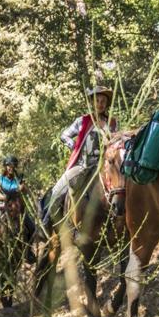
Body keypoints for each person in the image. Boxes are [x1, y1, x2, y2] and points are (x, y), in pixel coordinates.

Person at [42, 86, 119, 229]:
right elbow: (64, 135)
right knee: (58, 190)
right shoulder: (82, 121)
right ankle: (46, 221)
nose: (100, 104)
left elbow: (117, 141)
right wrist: (76, 146)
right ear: (92, 103)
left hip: (105, 165)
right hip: (83, 164)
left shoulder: (112, 122)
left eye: (103, 101)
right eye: (97, 101)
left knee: (122, 186)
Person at [0, 155, 38, 250]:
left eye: (13, 166)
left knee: (32, 227)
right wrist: (4, 197)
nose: (11, 168)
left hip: (17, 208)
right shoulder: (0, 178)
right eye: (9, 165)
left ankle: (28, 251)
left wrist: (24, 189)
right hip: (2, 206)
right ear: (5, 166)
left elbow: (27, 191)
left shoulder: (19, 179)